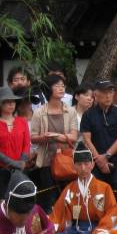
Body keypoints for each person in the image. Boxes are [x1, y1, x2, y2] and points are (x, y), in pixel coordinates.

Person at [51, 143, 117, 234]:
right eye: (79, 164)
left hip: (97, 230)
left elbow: (112, 212)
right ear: (74, 166)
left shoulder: (104, 188)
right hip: (75, 230)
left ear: (92, 165)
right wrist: (51, 229)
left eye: (86, 164)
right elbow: (58, 214)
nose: (83, 168)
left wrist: (100, 231)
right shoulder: (69, 189)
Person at [80, 80, 117, 221]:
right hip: (96, 166)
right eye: (104, 92)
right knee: (98, 202)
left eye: (110, 92)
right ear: (96, 94)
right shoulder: (88, 115)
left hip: (116, 164)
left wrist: (106, 156)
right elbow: (87, 139)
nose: (108, 96)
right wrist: (99, 159)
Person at [29, 74, 78, 212]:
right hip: (46, 160)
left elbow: (73, 137)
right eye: (57, 86)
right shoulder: (39, 112)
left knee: (69, 197)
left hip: (66, 159)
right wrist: (45, 137)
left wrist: (55, 136)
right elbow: (33, 138)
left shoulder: (71, 111)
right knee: (48, 199)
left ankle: (68, 228)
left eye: (63, 86)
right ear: (49, 89)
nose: (61, 88)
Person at [0, 87, 31, 204]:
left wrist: (22, 162)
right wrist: (12, 163)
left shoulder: (22, 122)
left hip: (19, 169)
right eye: (7, 102)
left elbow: (26, 143)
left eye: (13, 101)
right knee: (0, 204)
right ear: (0, 104)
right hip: (0, 170)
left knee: (19, 202)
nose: (11, 104)